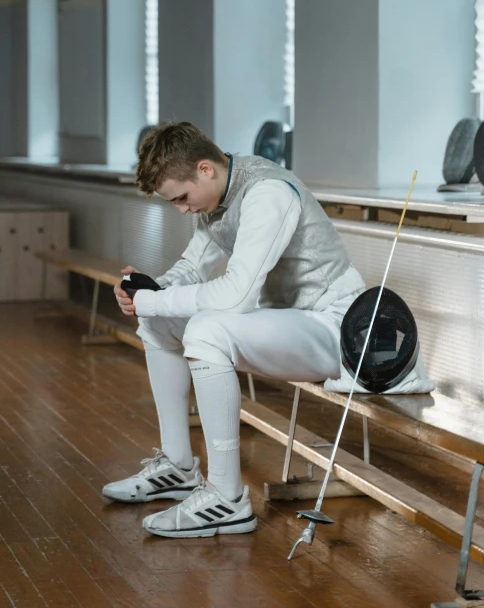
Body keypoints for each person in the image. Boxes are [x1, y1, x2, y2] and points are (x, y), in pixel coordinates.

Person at [103, 121, 365, 539]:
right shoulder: (217, 199)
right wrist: (152, 292)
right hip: (284, 321)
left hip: (334, 327)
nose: (182, 209)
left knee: (208, 329)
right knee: (158, 319)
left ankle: (227, 497)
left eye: (182, 198)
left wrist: (155, 300)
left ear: (205, 168)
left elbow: (236, 296)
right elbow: (193, 267)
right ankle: (179, 466)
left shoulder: (268, 193)